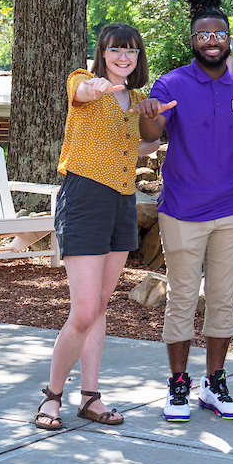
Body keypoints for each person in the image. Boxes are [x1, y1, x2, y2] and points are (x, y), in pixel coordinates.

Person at [35, 23, 168, 429]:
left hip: (122, 201)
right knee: (84, 310)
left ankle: (90, 397)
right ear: (103, 53)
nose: (123, 57)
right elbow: (83, 93)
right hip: (86, 197)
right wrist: (97, 88)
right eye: (116, 50)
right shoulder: (82, 81)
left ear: (138, 56)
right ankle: (51, 397)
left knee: (100, 308)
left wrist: (161, 125)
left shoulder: (138, 99)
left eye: (131, 51)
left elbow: (138, 145)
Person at [138, 0, 233, 423]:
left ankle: (215, 383)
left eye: (218, 35)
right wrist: (148, 118)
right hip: (182, 211)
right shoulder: (171, 82)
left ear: (229, 41)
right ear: (193, 42)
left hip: (231, 212)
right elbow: (151, 137)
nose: (211, 41)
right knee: (183, 298)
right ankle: (178, 384)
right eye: (203, 36)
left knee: (224, 300)